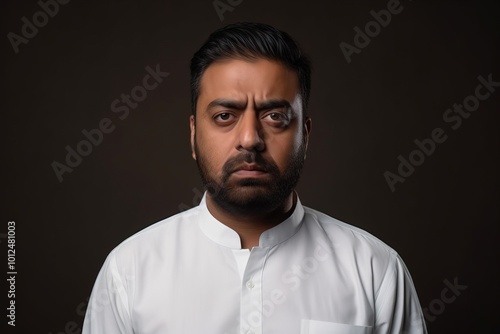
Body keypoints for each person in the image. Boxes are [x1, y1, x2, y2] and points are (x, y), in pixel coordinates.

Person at [82, 22, 427, 334]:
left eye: (275, 116)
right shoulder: (129, 272)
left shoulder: (374, 271)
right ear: (192, 135)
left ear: (305, 136)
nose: (250, 138)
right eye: (224, 115)